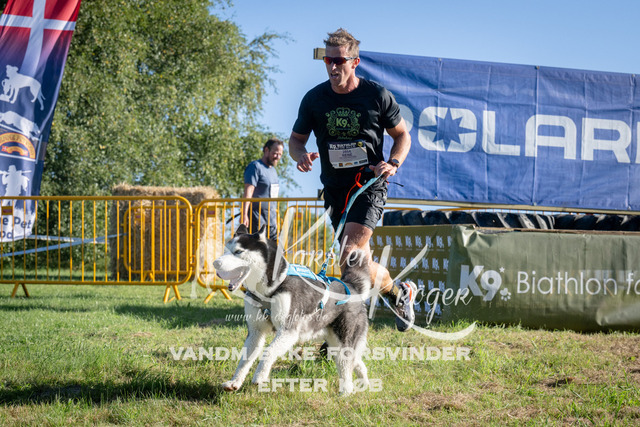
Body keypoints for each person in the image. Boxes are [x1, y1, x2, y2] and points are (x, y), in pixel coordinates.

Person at [288, 28, 417, 332]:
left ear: (354, 62)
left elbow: (402, 135)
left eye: (339, 61)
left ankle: (338, 332)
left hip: (369, 186)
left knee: (348, 257)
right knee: (359, 265)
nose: (333, 66)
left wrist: (393, 163)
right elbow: (295, 141)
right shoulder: (314, 99)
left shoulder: (376, 96)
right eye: (328, 60)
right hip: (335, 189)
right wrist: (300, 156)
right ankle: (399, 292)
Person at [242, 138, 284, 240]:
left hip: (271, 222)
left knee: (276, 249)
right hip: (257, 220)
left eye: (280, 154)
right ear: (266, 150)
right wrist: (244, 214)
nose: (277, 157)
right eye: (275, 153)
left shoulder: (273, 171)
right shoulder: (255, 167)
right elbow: (248, 191)